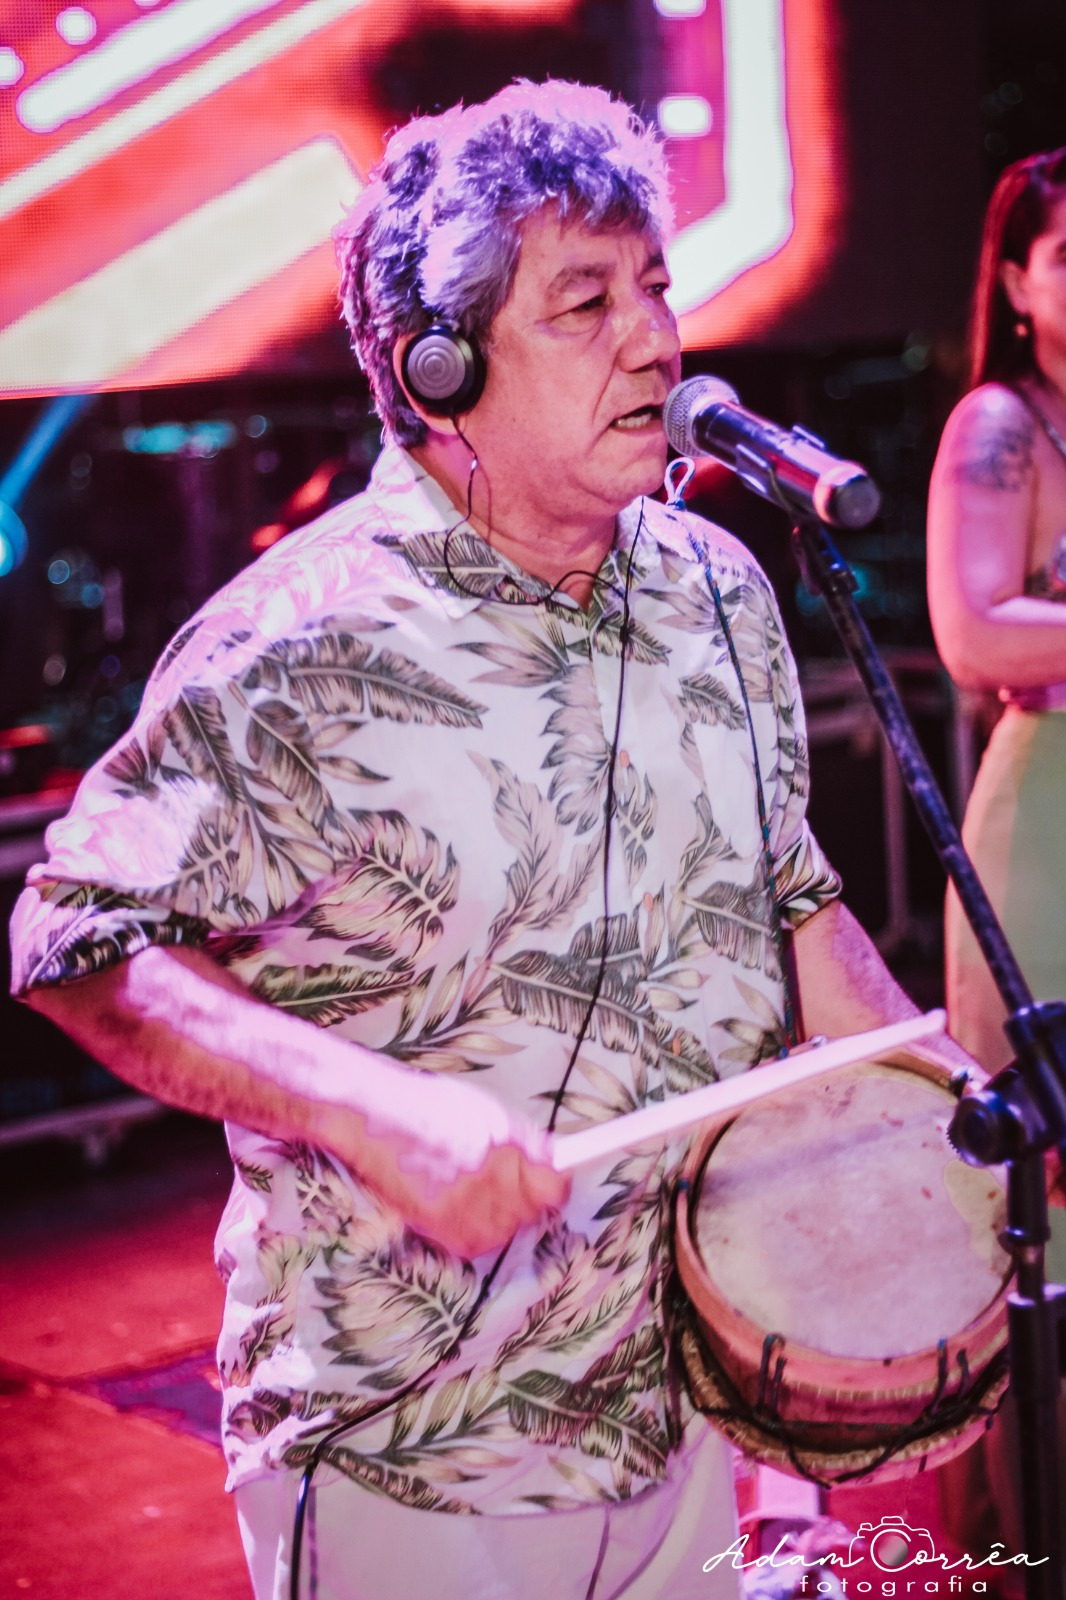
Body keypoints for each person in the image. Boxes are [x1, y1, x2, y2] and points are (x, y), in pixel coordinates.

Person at [11, 81, 944, 1600]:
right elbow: (76, 943)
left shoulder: (716, 588)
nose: (655, 339)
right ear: (436, 369)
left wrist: (937, 1131)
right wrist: (374, 1109)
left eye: (655, 287)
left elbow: (790, 905)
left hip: (687, 1413)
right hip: (412, 1450)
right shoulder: (296, 643)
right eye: (585, 303)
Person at [926, 145, 1066, 1568]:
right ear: (1017, 284)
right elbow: (974, 632)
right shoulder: (998, 424)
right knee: (1037, 1218)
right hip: (1048, 840)